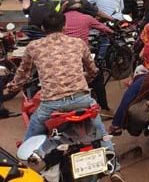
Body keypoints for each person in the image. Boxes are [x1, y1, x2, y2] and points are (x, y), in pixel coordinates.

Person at [4, 12, 125, 181]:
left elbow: (22, 74)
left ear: (43, 28)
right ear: (64, 27)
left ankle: (25, 166)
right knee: (101, 132)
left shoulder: (34, 46)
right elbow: (92, 69)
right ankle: (115, 169)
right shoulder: (78, 43)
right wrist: (87, 78)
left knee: (30, 136)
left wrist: (10, 88)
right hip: (82, 100)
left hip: (51, 105)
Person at [62, 0, 115, 115]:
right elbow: (104, 29)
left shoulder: (61, 18)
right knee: (97, 77)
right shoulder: (87, 18)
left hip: (61, 56)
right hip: (81, 54)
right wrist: (113, 32)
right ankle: (105, 108)